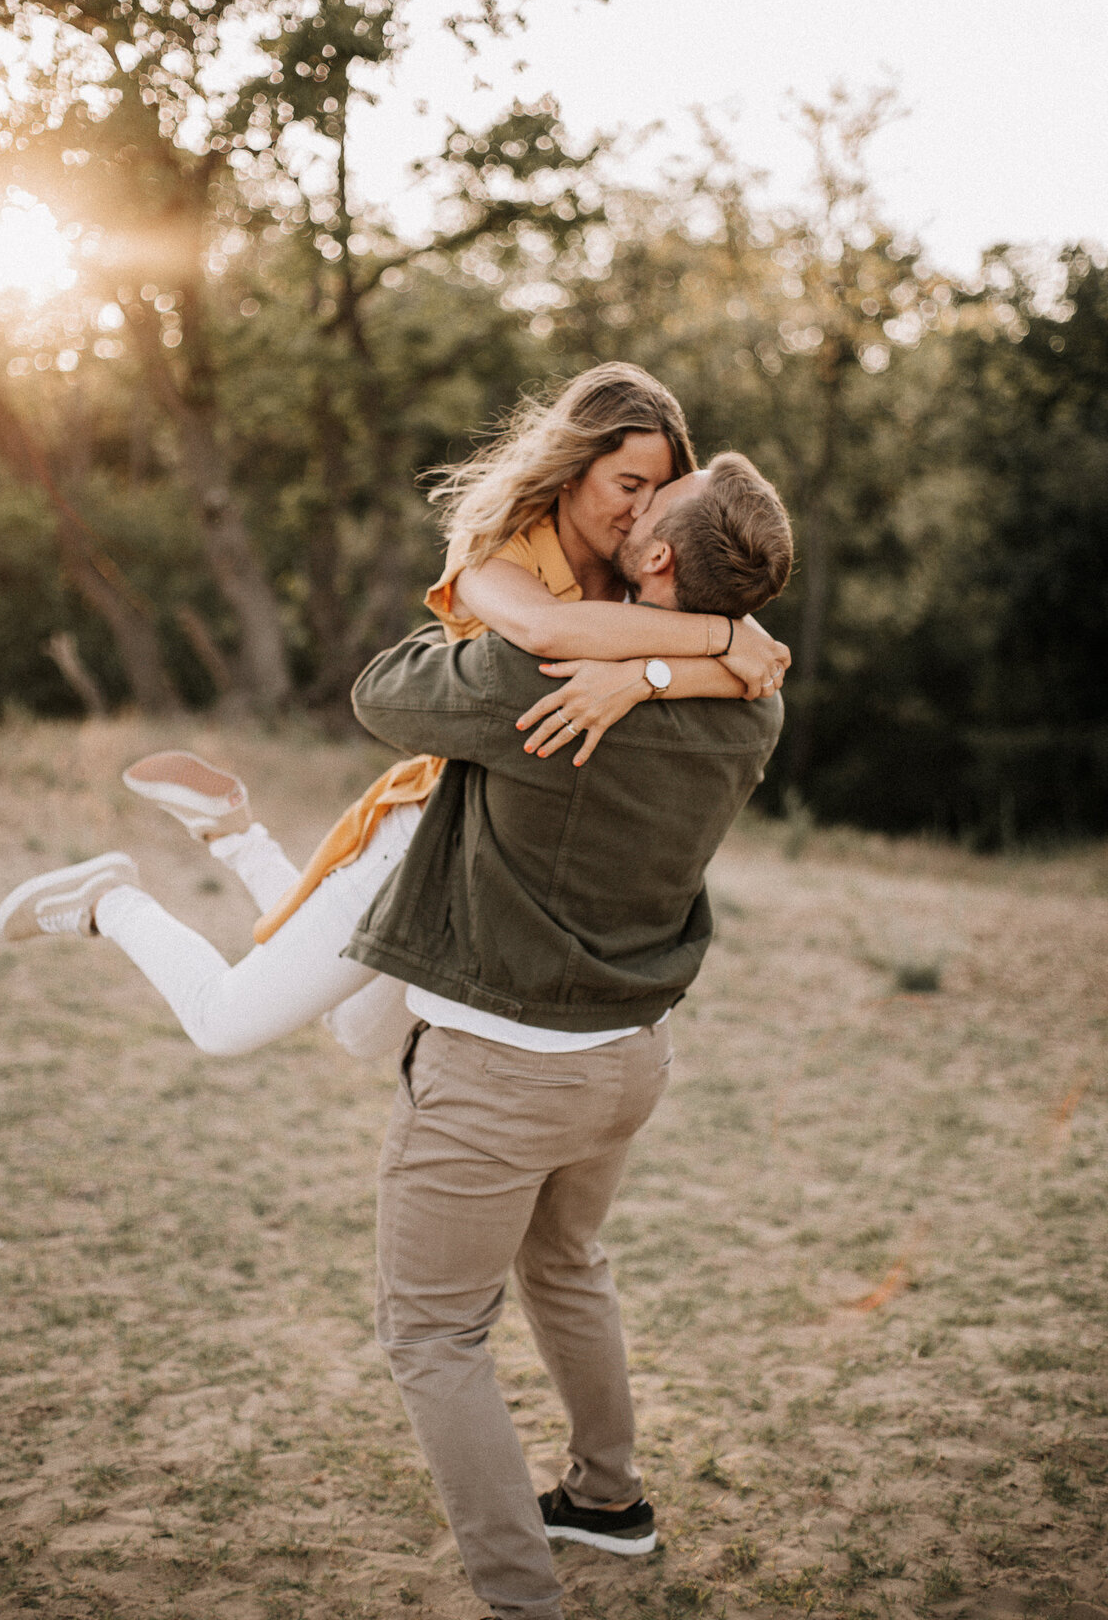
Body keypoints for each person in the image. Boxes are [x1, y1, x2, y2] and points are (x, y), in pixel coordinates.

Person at [0, 366, 789, 1066]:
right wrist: (720, 635)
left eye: (661, 492)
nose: (645, 512)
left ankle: (235, 834)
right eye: (629, 486)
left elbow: (760, 680)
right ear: (575, 468)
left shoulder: (636, 573)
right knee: (224, 1022)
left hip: (494, 849)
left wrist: (645, 678)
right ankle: (111, 901)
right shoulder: (495, 552)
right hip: (423, 827)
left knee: (360, 1034)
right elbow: (551, 637)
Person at [343, 459, 791, 1620]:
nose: (628, 509)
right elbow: (722, 654)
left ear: (652, 559)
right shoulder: (757, 698)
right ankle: (608, 1501)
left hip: (501, 1066)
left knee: (434, 1334)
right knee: (564, 1265)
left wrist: (521, 598)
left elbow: (385, 690)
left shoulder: (532, 672)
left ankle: (521, 1597)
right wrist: (665, 659)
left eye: (647, 508)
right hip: (627, 1058)